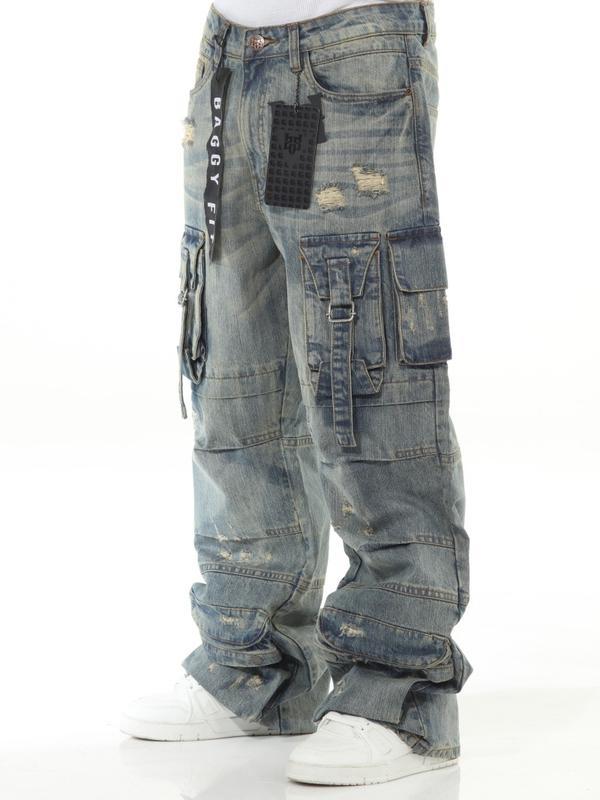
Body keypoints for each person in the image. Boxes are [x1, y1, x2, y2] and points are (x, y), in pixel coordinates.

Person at [121, 0, 472, 787]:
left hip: (349, 51)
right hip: (230, 56)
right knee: (236, 365)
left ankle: (399, 688)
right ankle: (257, 663)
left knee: (364, 364)